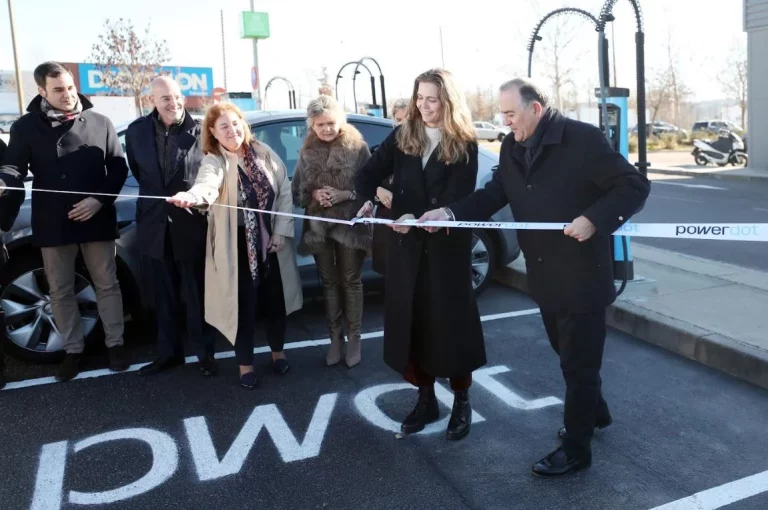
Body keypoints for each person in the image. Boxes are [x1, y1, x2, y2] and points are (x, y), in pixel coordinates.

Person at [420, 78, 650, 475]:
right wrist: (450, 214)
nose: (505, 122)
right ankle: (595, 412)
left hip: (582, 276)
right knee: (568, 356)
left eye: (510, 114)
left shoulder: (583, 140)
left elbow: (634, 185)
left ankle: (577, 448)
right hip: (543, 276)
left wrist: (595, 220)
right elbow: (494, 195)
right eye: (502, 114)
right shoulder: (512, 147)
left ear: (535, 109)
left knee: (577, 366)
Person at [355, 68, 486, 441]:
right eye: (419, 97)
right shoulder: (402, 134)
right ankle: (425, 398)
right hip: (407, 249)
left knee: (451, 327)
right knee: (413, 325)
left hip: (445, 250)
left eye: (432, 99)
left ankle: (462, 401)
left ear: (448, 101)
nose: (424, 106)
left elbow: (459, 197)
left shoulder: (463, 142)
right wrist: (375, 197)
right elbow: (367, 174)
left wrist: (426, 216)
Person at [0, 61, 129, 382]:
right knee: (59, 289)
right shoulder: (25, 127)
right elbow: (13, 168)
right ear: (42, 91)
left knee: (107, 284)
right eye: (58, 90)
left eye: (70, 87)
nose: (68, 95)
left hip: (96, 216)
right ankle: (74, 350)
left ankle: (116, 344)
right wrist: (3, 181)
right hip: (53, 219)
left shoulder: (101, 122)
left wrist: (98, 200)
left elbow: (117, 169)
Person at [167, 103, 302, 389]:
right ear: (213, 133)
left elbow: (285, 191)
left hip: (271, 242)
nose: (232, 130)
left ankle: (278, 353)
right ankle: (245, 366)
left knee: (276, 303)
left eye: (235, 123)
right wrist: (193, 196)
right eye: (224, 126)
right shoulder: (214, 160)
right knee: (243, 308)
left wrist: (279, 232)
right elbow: (207, 185)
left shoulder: (264, 152)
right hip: (236, 245)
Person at [125, 76, 216, 377]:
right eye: (165, 98)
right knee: (162, 298)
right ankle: (168, 354)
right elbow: (140, 172)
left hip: (191, 226)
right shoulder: (137, 132)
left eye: (177, 96)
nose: (173, 102)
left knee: (196, 296)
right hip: (153, 226)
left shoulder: (202, 129)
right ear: (152, 100)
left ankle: (205, 355)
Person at [291, 95, 371, 368]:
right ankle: (335, 338)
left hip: (350, 224)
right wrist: (315, 193)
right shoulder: (306, 151)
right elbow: (297, 194)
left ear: (342, 121)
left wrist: (344, 195)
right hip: (318, 226)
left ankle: (355, 338)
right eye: (320, 124)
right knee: (328, 281)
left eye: (331, 123)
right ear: (312, 126)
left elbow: (372, 189)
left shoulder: (358, 147)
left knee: (350, 279)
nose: (326, 128)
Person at [372, 98, 409, 275]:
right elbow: (368, 179)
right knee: (390, 275)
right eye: (398, 119)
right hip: (387, 223)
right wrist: (378, 191)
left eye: (407, 119)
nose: (402, 124)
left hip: (411, 224)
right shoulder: (384, 150)